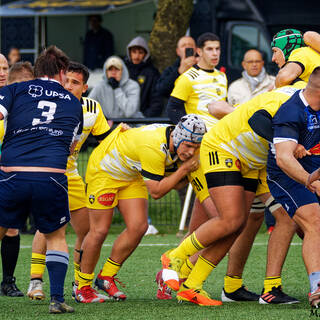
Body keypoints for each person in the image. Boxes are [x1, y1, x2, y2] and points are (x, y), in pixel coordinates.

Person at [159, 80, 306, 306]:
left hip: (254, 160)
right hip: (224, 147)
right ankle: (176, 257)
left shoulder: (303, 96)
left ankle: (192, 285)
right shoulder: (293, 98)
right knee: (230, 220)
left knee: (239, 224)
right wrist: (287, 144)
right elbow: (256, 118)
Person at [75, 114, 205, 303]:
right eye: (188, 145)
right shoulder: (153, 147)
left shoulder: (176, 138)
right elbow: (157, 192)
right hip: (105, 169)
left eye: (195, 147)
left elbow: (175, 184)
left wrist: (183, 172)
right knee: (99, 230)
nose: (191, 152)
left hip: (129, 172)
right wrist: (184, 170)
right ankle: (82, 287)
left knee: (139, 227)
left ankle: (106, 277)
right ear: (177, 137)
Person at [0, 45, 83, 313]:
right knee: (56, 236)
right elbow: (71, 147)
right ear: (62, 72)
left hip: (13, 173)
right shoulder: (73, 102)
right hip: (52, 177)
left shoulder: (14, 89)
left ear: (37, 71)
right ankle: (57, 299)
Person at [26, 61, 111, 302]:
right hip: (45, 172)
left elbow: (106, 140)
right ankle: (35, 282)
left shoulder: (93, 109)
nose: (69, 86)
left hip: (71, 176)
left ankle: (79, 285)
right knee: (48, 226)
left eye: (75, 83)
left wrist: (122, 133)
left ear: (84, 87)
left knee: (85, 229)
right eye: (66, 81)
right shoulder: (48, 103)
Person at [267, 67, 320, 308]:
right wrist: (312, 181)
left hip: (312, 165)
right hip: (286, 174)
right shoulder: (291, 110)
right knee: (314, 220)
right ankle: (317, 289)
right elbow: (284, 159)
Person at [0, 60, 34, 298]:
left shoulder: (18, 98)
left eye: (4, 68)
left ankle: (8, 282)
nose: (2, 73)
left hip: (8, 171)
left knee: (11, 228)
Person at [166, 32, 228, 129]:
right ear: (199, 51)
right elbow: (172, 108)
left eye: (217, 49)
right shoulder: (188, 77)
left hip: (221, 135)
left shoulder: (222, 76)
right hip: (201, 137)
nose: (215, 53)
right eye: (209, 49)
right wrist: (190, 130)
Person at [89, 56, 142, 121]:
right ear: (106, 72)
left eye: (117, 69)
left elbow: (130, 112)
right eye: (110, 69)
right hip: (108, 125)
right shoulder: (100, 86)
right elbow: (88, 106)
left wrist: (117, 89)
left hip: (130, 124)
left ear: (123, 71)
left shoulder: (133, 86)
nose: (113, 72)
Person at [125, 36, 163, 117]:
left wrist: (144, 117)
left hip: (143, 118)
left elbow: (156, 101)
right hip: (123, 117)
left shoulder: (152, 73)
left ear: (146, 54)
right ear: (129, 53)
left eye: (140, 52)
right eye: (134, 52)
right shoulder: (122, 70)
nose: (136, 56)